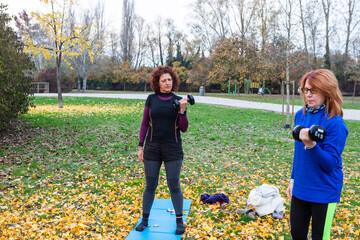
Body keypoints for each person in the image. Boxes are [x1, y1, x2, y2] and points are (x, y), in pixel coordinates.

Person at [286, 69, 348, 240]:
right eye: (306, 90)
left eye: (313, 90)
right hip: (301, 187)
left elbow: (330, 164)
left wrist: (312, 145)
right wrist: (293, 180)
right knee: (297, 233)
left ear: (326, 91)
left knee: (320, 237)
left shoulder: (335, 123)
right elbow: (298, 154)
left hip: (324, 190)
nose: (308, 95)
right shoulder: (301, 114)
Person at [136, 65, 188, 235]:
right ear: (157, 83)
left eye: (170, 80)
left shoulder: (179, 100)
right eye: (164, 80)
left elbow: (184, 128)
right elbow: (145, 123)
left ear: (174, 81)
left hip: (172, 148)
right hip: (152, 147)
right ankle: (144, 219)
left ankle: (179, 221)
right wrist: (140, 146)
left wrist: (182, 111)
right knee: (150, 184)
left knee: (174, 184)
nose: (167, 83)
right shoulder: (151, 99)